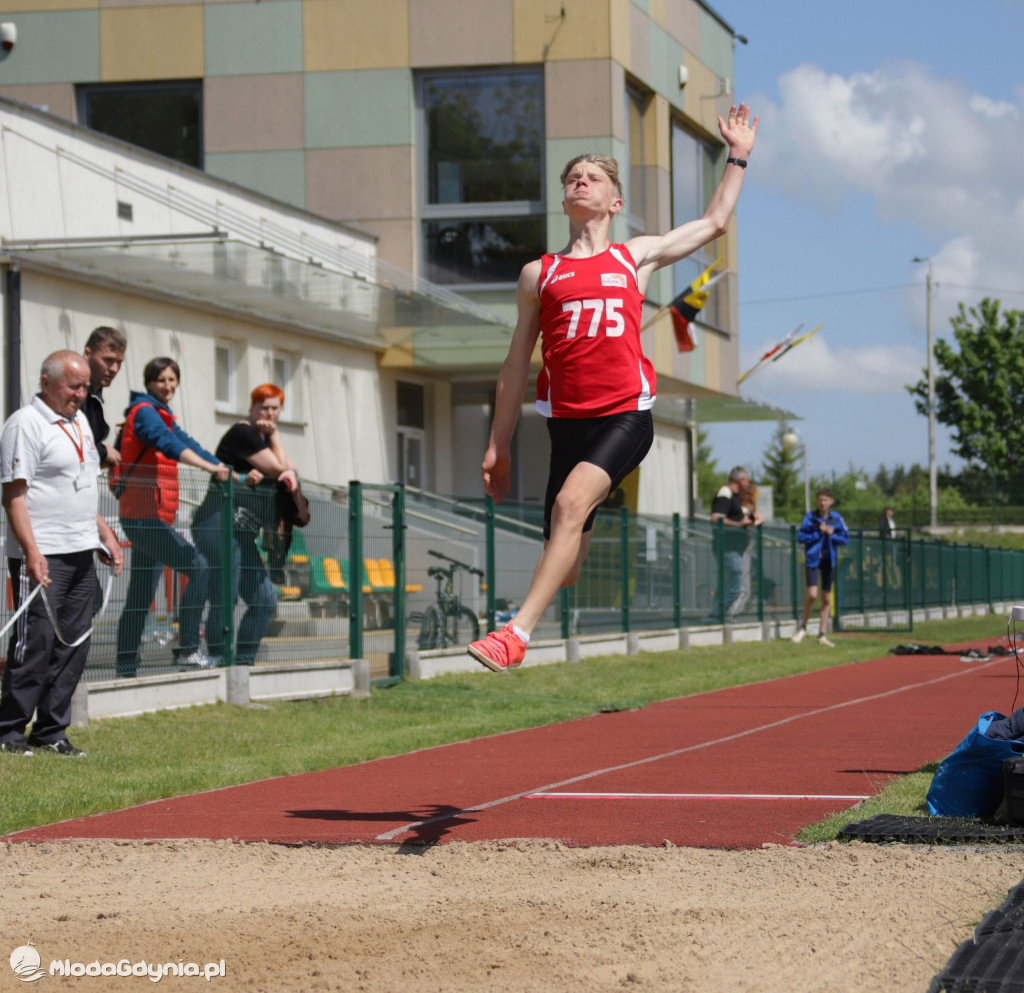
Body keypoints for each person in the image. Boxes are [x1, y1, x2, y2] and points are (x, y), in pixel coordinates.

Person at [467, 104, 759, 671]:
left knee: (571, 505)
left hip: (625, 414)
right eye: (572, 178)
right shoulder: (539, 273)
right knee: (567, 557)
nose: (579, 181)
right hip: (565, 422)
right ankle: (529, 615)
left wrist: (739, 155)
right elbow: (513, 367)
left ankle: (515, 634)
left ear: (614, 201)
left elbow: (714, 222)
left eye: (592, 177)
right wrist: (498, 445)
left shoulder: (635, 257)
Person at [0, 351, 124, 756]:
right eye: (74, 385)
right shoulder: (25, 424)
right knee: (34, 642)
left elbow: (85, 485)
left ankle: (52, 730)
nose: (82, 393)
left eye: (86, 386)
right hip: (42, 554)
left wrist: (103, 534)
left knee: (74, 642)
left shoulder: (81, 423)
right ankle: (10, 731)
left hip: (80, 550)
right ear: (47, 381)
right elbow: (14, 494)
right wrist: (32, 552)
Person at [113, 357, 229, 677]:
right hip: (143, 518)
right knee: (200, 567)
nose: (168, 385)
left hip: (150, 516)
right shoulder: (146, 413)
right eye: (161, 380)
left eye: (172, 380)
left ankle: (125, 667)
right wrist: (209, 468)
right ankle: (187, 650)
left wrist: (225, 469)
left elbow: (186, 442)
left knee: (140, 595)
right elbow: (166, 443)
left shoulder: (162, 414)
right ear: (149, 382)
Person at [193, 384, 299, 666]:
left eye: (275, 408)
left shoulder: (263, 440)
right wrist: (275, 435)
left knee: (264, 599)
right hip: (217, 524)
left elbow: (292, 469)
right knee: (225, 594)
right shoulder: (244, 433)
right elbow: (280, 470)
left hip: (242, 531)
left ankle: (243, 665)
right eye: (263, 407)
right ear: (252, 408)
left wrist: (273, 439)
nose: (269, 413)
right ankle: (218, 658)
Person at [793, 487, 849, 647]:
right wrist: (818, 532)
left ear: (831, 501)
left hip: (829, 560)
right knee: (812, 594)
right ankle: (803, 628)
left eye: (825, 500)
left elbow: (845, 538)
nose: (822, 503)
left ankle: (822, 633)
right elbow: (801, 537)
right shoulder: (810, 518)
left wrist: (832, 533)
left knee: (826, 597)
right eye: (820, 500)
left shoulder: (836, 518)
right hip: (813, 559)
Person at [705, 466, 763, 623]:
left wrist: (751, 520)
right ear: (742, 480)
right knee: (735, 585)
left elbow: (737, 517)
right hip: (728, 547)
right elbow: (716, 518)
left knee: (728, 584)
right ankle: (716, 617)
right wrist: (740, 524)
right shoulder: (725, 493)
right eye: (748, 481)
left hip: (735, 547)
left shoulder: (735, 496)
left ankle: (717, 616)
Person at [82, 326, 126, 470]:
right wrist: (103, 452)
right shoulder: (75, 391)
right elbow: (69, 438)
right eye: (108, 360)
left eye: (119, 362)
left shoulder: (94, 391)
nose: (114, 368)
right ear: (88, 354)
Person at [726, 475, 762, 620]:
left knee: (739, 584)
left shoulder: (744, 507)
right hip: (738, 548)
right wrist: (756, 522)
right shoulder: (739, 509)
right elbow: (746, 524)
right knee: (741, 587)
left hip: (741, 547)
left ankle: (729, 614)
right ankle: (730, 615)